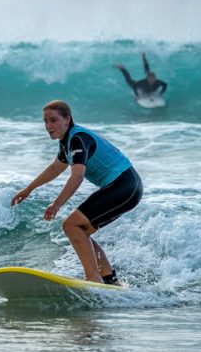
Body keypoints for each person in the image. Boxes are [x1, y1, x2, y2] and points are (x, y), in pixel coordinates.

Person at [10, 100, 143, 284]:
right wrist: (29, 189)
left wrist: (57, 204)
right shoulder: (67, 141)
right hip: (127, 187)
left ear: (67, 119)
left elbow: (77, 176)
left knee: (71, 225)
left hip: (123, 186)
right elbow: (56, 168)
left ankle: (93, 278)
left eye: (54, 120)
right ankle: (109, 280)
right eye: (45, 121)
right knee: (80, 231)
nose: (48, 126)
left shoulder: (77, 139)